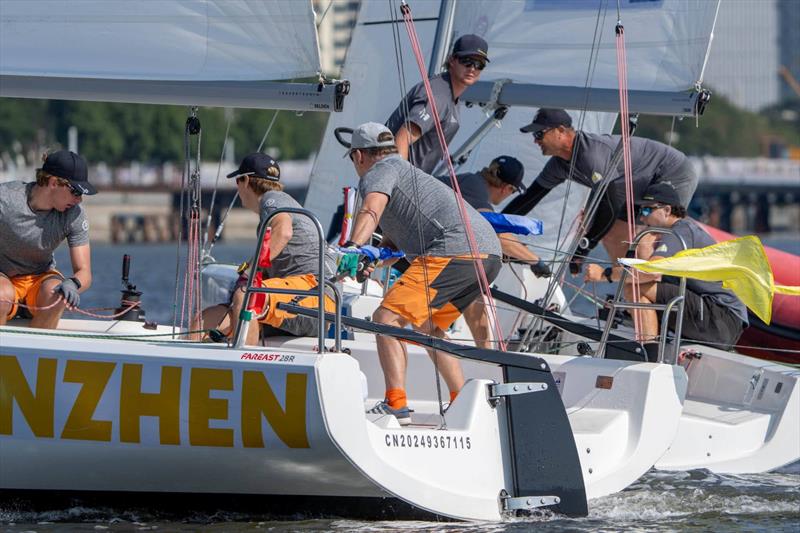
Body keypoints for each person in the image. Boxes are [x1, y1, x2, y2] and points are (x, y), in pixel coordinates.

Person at [338, 122, 502, 425]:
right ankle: (460, 403)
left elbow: (371, 210)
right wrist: (371, 260)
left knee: (386, 319)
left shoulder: (379, 171)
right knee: (427, 327)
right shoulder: (406, 173)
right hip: (489, 254)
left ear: (359, 155)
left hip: (455, 250)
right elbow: (394, 240)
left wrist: (352, 247)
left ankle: (395, 405)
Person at [502, 108, 698, 270]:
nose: (535, 141)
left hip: (671, 173)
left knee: (648, 239)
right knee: (613, 236)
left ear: (561, 131)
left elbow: (610, 205)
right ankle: (630, 294)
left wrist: (583, 248)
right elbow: (529, 198)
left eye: (539, 134)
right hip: (634, 186)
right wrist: (495, 225)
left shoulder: (591, 154)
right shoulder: (558, 165)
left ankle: (649, 297)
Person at [584, 182, 748, 360]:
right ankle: (653, 345)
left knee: (636, 289)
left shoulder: (680, 231)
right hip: (723, 323)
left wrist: (604, 274)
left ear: (667, 210)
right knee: (643, 287)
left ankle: (650, 358)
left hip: (720, 318)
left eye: (647, 210)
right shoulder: (682, 231)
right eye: (640, 212)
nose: (642, 217)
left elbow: (652, 271)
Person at [198, 153, 336, 345]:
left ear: (245, 180)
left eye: (238, 181)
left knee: (247, 293)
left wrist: (250, 271)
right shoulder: (279, 206)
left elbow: (284, 231)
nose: (237, 188)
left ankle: (244, 366)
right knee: (207, 321)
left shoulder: (273, 200)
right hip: (296, 302)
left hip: (314, 299)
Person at [0, 150, 96, 329]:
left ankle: (34, 353)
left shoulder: (74, 215)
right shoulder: (6, 200)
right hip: (3, 277)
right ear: (53, 183)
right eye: (75, 191)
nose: (79, 200)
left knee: (58, 296)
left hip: (39, 278)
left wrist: (73, 284)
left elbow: (84, 272)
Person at [386, 34, 489, 174]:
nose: (472, 68)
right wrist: (400, 183)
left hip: (411, 180)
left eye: (479, 64)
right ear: (452, 60)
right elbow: (402, 140)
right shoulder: (438, 96)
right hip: (394, 179)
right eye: (467, 61)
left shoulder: (452, 95)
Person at [437, 155, 551, 278]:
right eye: (513, 191)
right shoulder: (475, 187)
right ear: (507, 188)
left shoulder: (471, 181)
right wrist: (535, 261)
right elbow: (494, 232)